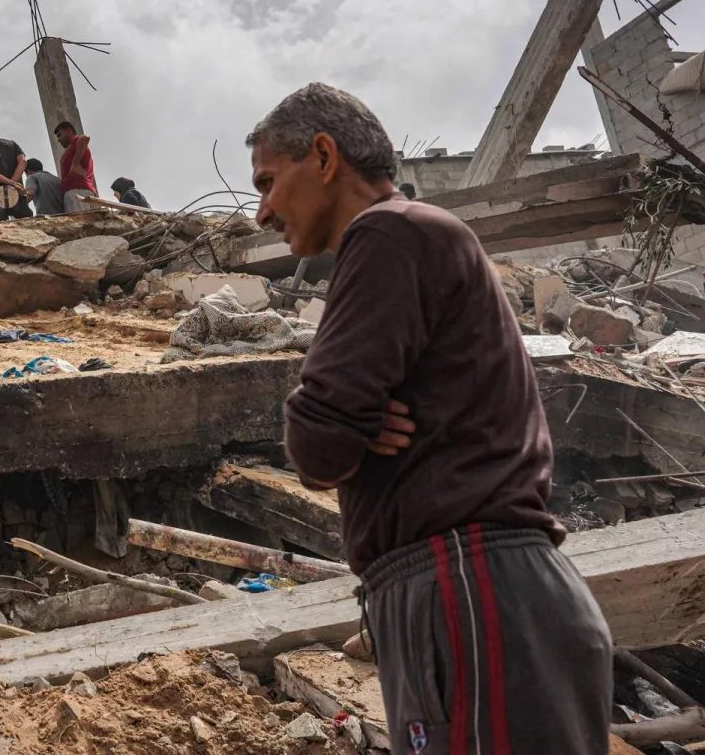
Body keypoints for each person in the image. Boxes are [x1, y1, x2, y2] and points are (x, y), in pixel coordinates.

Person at [245, 83, 610, 754]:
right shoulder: (407, 239)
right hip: (465, 592)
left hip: (469, 589)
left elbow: (319, 440)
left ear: (324, 156)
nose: (262, 212)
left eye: (268, 182)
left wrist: (337, 422)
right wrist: (345, 420)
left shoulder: (390, 233)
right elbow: (330, 429)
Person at [53, 121, 97, 213]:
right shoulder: (71, 150)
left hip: (78, 191)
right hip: (76, 192)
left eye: (60, 135)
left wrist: (75, 163)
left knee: (82, 224)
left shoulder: (76, 142)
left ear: (69, 131)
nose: (58, 139)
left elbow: (85, 138)